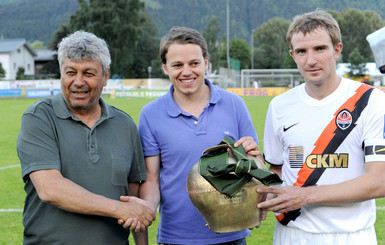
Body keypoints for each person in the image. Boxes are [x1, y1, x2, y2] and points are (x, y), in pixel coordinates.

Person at [257, 9, 385, 245]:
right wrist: (255, 177)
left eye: (320, 49)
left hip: (351, 236)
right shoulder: (279, 106)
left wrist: (305, 196)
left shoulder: (371, 100)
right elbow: (276, 170)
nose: (311, 60)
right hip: (291, 235)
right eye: (301, 51)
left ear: (337, 49)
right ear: (292, 55)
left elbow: (380, 181)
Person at [17, 30, 155, 245]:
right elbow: (50, 189)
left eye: (88, 73)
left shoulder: (125, 125)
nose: (78, 82)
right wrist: (119, 209)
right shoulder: (39, 118)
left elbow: (134, 202)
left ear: (105, 76)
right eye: (70, 72)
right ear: (61, 73)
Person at [132, 26, 261, 244]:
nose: (187, 71)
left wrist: (255, 159)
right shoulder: (150, 115)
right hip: (176, 236)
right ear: (165, 68)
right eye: (177, 65)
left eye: (194, 63)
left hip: (231, 234)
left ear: (206, 63)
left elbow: (256, 165)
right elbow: (152, 179)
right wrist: (147, 207)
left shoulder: (234, 104)